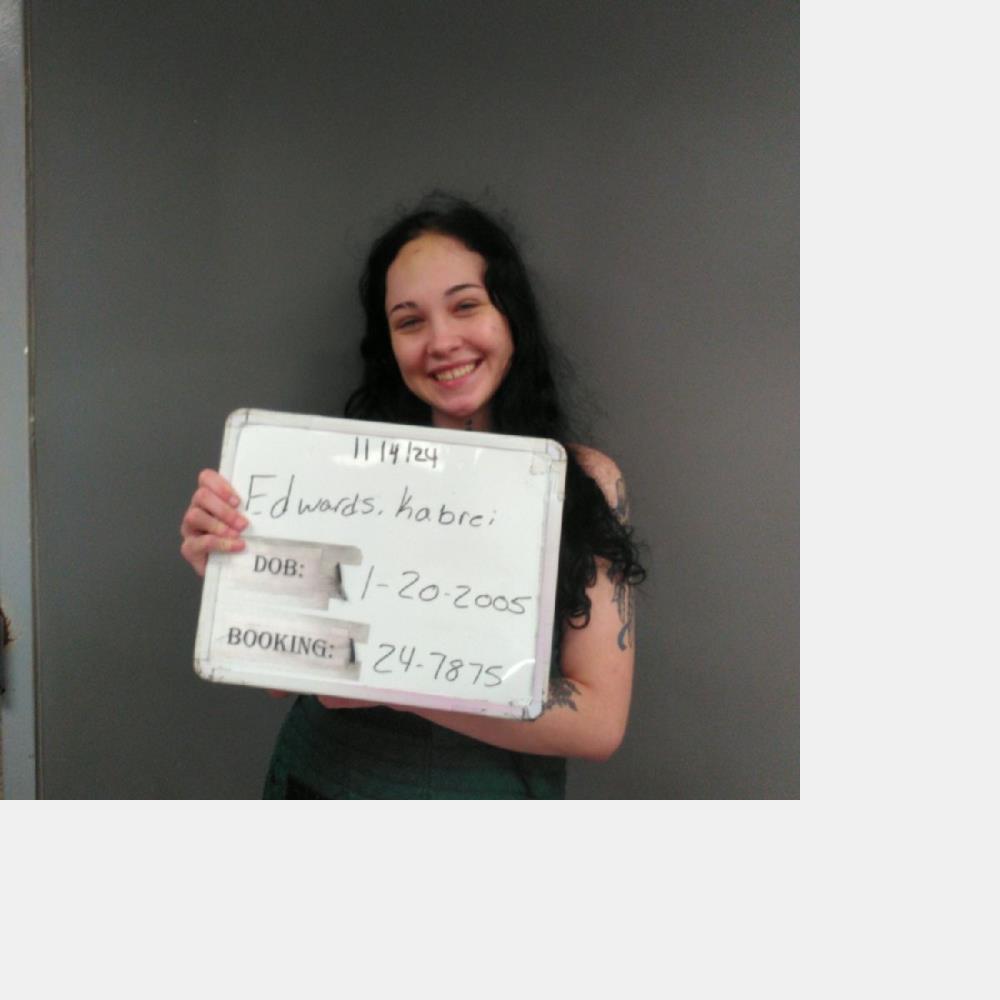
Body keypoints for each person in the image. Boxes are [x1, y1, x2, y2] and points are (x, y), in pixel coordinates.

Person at [180, 194, 645, 798]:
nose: (442, 341)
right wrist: (234, 571)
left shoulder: (582, 480)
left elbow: (599, 725)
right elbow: (283, 676)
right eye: (410, 321)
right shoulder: (335, 472)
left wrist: (394, 681)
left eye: (465, 306)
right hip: (323, 781)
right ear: (390, 344)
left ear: (511, 316)